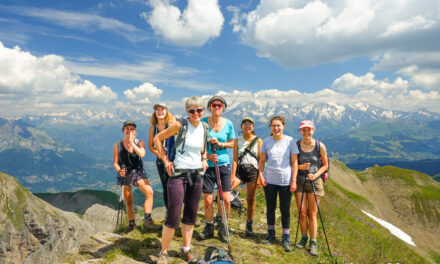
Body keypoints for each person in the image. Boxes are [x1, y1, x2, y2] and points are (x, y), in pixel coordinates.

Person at [154, 96, 209, 264]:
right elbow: (157, 139)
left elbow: (202, 148)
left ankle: (186, 249)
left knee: (191, 213)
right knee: (174, 214)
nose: (196, 113)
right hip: (178, 174)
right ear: (187, 112)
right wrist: (165, 160)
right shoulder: (179, 125)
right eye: (192, 110)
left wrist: (204, 159)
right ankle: (163, 252)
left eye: (199, 110)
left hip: (196, 174)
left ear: (203, 111)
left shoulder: (204, 127)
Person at [257, 116, 299, 252]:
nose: (276, 128)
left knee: (284, 210)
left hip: (286, 181)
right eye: (273, 126)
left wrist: (293, 180)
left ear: (283, 126)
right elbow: (262, 161)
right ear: (270, 127)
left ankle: (286, 237)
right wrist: (260, 176)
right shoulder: (267, 141)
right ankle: (271, 235)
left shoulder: (291, 141)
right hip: (269, 180)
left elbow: (294, 163)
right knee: (270, 207)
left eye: (278, 125)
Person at [113, 120, 161, 233]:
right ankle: (131, 224)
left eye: (131, 129)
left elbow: (142, 154)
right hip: (126, 173)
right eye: (127, 128)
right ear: (123, 130)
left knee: (149, 192)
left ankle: (147, 221)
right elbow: (115, 162)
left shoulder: (139, 142)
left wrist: (132, 143)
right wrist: (119, 170)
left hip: (138, 172)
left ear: (135, 131)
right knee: (129, 200)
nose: (129, 131)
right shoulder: (117, 145)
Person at [199, 95, 235, 242]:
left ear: (223, 107)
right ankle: (209, 226)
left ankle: (223, 226)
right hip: (207, 165)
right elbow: (197, 143)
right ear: (210, 107)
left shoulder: (228, 124)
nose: (217, 107)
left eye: (220, 105)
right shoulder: (202, 123)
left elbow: (232, 143)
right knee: (208, 199)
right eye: (214, 105)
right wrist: (206, 155)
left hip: (223, 164)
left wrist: (221, 145)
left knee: (225, 199)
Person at [295, 120, 328, 256]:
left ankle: (313, 242)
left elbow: (325, 165)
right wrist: (300, 167)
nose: (306, 132)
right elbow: (292, 164)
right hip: (300, 182)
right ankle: (304, 239)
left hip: (315, 183)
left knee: (312, 213)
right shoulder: (296, 145)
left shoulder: (320, 146)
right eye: (304, 130)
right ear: (300, 131)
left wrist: (316, 175)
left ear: (313, 130)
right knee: (302, 212)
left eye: (309, 130)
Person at [231, 116, 262, 237]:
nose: (247, 126)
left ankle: (249, 225)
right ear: (241, 127)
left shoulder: (258, 141)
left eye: (249, 124)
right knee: (226, 191)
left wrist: (260, 177)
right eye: (245, 124)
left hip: (253, 171)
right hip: (240, 169)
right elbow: (234, 159)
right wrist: (232, 176)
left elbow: (261, 160)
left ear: (253, 127)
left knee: (251, 200)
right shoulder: (237, 141)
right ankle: (221, 219)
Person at [148, 102, 175, 209]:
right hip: (160, 162)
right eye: (157, 110)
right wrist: (157, 153)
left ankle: (180, 209)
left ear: (167, 112)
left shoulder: (172, 126)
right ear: (155, 113)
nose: (160, 111)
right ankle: (169, 211)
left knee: (176, 186)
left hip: (173, 161)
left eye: (162, 109)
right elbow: (150, 146)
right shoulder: (152, 129)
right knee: (166, 187)